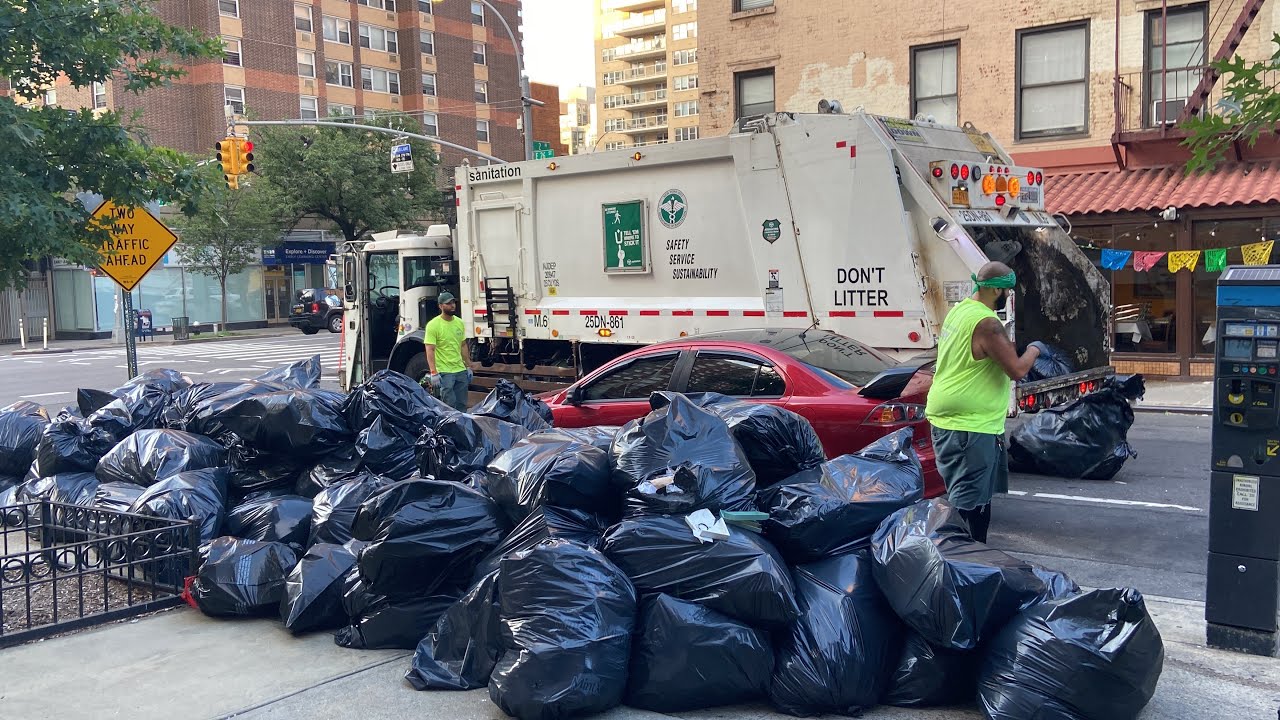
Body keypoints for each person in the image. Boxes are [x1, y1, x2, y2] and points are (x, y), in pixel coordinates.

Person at [925, 261, 1042, 543]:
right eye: (1007, 292)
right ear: (997, 291)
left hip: (959, 422)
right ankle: (964, 564)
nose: (1008, 298)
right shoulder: (987, 324)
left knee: (975, 499)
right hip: (968, 427)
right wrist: (1037, 349)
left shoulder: (961, 311)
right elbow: (1016, 369)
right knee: (969, 505)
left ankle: (973, 559)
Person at [424, 291, 471, 411]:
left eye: (453, 302)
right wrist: (433, 372)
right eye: (448, 303)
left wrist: (468, 366)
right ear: (440, 306)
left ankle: (462, 428)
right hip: (445, 371)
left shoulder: (459, 322)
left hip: (460, 370)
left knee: (462, 404)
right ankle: (450, 428)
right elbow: (430, 349)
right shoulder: (433, 325)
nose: (452, 305)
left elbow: (463, 345)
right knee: (449, 405)